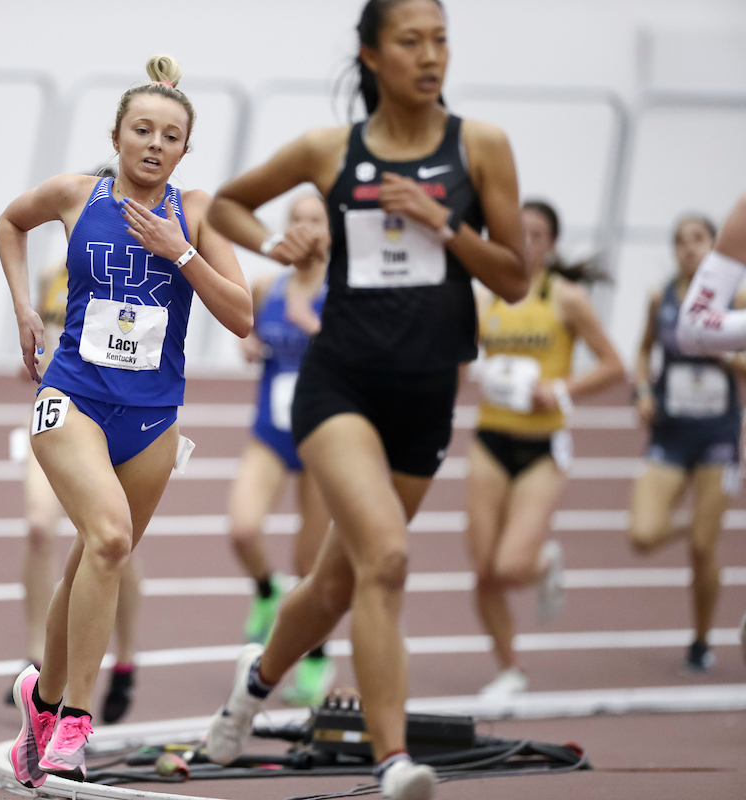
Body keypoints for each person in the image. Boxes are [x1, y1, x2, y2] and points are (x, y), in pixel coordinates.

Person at [203, 2, 529, 797]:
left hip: (427, 394)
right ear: (372, 55)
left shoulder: (481, 146)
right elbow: (225, 204)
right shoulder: (330, 149)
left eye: (441, 40)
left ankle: (251, 688)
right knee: (386, 558)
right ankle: (394, 762)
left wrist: (444, 225)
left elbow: (516, 279)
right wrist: (275, 244)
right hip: (340, 384)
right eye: (411, 41)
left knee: (335, 584)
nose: (431, 55)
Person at [0, 55, 252, 786]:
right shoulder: (77, 195)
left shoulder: (196, 211)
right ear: (116, 136)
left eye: (170, 136)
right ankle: (76, 720)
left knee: (91, 560)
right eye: (142, 130)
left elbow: (242, 316)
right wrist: (23, 308)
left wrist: (183, 252)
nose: (154, 144)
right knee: (109, 539)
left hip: (152, 420)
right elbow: (11, 223)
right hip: (71, 399)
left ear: (185, 149)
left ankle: (41, 698)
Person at [467, 200, 624, 697]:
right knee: (483, 571)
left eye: (536, 235)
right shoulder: (485, 298)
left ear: (551, 244)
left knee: (511, 568)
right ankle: (511, 669)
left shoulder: (566, 298)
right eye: (518, 232)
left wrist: (559, 390)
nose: (526, 242)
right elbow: (458, 358)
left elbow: (613, 365)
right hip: (490, 439)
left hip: (543, 446)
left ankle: (543, 562)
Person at [7, 240, 143, 725]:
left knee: (112, 544)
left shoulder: (135, 272)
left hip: (113, 422)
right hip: (57, 414)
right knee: (38, 528)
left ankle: (125, 660)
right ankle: (34, 658)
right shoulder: (51, 275)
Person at [225, 193, 334, 705]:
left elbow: (360, 359)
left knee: (310, 566)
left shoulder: (345, 291)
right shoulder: (269, 285)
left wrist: (310, 323)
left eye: (316, 220)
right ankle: (266, 591)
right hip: (270, 431)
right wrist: (247, 345)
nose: (305, 228)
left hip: (324, 440)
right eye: (297, 220)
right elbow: (247, 332)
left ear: (331, 230)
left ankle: (315, 658)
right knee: (242, 528)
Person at [630, 213, 745, 674]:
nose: (689, 248)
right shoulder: (660, 297)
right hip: (671, 432)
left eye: (698, 239)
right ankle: (699, 522)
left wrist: (722, 351)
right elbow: (643, 350)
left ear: (715, 247)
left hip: (718, 436)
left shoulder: (736, 300)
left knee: (702, 549)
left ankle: (700, 640)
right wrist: (641, 391)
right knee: (642, 535)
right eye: (680, 240)